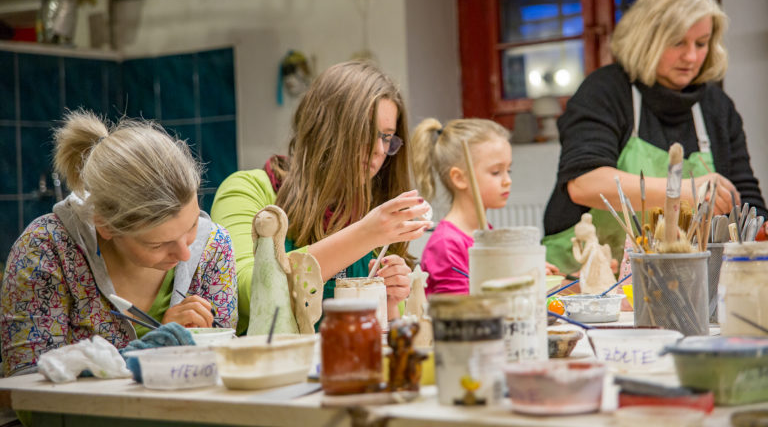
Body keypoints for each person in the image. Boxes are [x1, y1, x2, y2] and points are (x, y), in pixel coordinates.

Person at [542, 0, 767, 274]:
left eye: (701, 43)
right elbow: (584, 183)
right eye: (678, 43)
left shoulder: (716, 106)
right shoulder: (607, 90)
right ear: (647, 39)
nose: (691, 56)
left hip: (684, 280)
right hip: (589, 277)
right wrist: (685, 190)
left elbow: (747, 201)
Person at [1, 111, 237, 377]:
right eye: (158, 244)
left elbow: (222, 371)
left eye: (192, 225)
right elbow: (28, 392)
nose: (185, 253)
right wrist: (155, 350)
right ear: (105, 225)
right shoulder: (46, 249)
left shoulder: (213, 247)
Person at [211, 61, 431, 335]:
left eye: (387, 138)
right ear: (326, 129)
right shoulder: (246, 190)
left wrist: (389, 300)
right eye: (365, 132)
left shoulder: (373, 212)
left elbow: (384, 330)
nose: (378, 150)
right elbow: (246, 291)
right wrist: (365, 234)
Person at [411, 118, 559, 296]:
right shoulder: (446, 244)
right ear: (459, 178)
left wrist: (525, 269)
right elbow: (464, 311)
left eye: (508, 170)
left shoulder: (484, 232)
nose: (507, 180)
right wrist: (518, 277)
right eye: (496, 172)